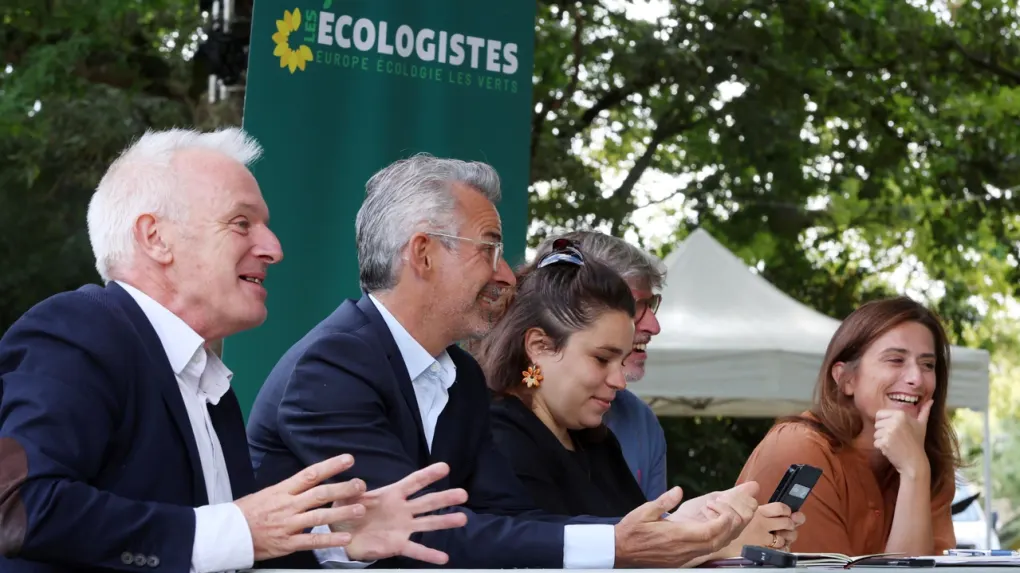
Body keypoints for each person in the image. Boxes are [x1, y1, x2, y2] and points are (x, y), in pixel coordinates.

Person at [247, 153, 758, 569]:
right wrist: (619, 544)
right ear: (422, 254)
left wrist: (647, 537)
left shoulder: (462, 376)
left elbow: (507, 516)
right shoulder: (333, 366)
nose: (507, 277)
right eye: (488, 250)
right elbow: (414, 539)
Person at [0, 129, 469, 573]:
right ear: (156, 238)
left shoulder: (208, 382)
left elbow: (223, 546)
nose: (273, 248)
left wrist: (335, 538)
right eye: (241, 223)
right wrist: (240, 530)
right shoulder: (77, 330)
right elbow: (17, 508)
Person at [479, 238, 804, 561]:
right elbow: (550, 554)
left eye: (621, 362)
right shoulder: (497, 436)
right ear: (539, 346)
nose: (619, 381)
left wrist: (698, 521)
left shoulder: (595, 440)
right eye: (602, 359)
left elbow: (634, 538)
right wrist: (712, 543)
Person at [735, 296, 962, 555]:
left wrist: (915, 472)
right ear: (845, 378)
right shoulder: (800, 450)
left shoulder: (926, 464)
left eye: (928, 365)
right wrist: (914, 470)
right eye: (896, 360)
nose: (916, 379)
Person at [532, 231, 669, 500]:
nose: (654, 326)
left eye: (651, 304)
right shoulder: (486, 414)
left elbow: (654, 534)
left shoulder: (640, 420)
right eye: (633, 305)